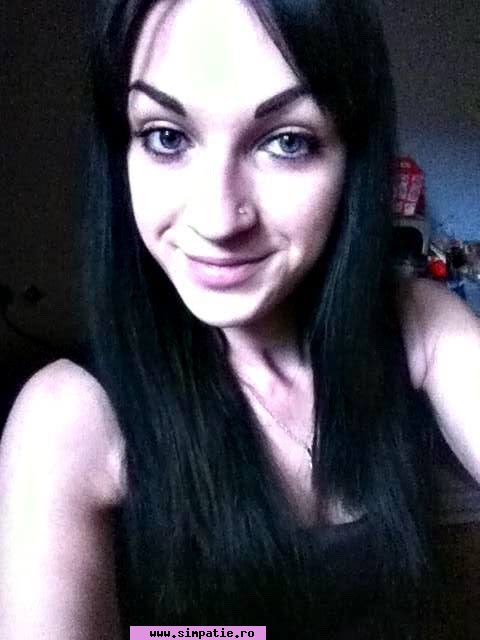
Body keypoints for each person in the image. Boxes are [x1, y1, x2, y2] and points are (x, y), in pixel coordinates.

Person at [1, 0, 479, 637]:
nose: (219, 219)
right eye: (166, 137)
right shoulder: (69, 418)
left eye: (288, 142)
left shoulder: (418, 325)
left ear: (353, 161)